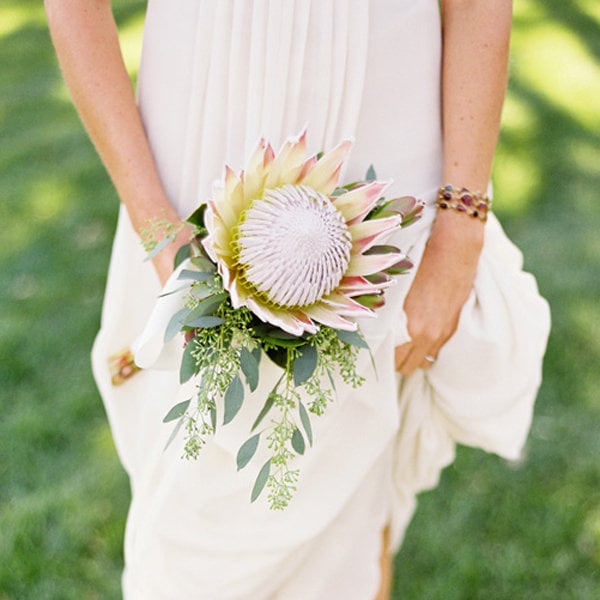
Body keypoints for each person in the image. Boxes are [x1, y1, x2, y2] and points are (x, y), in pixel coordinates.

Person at [45, 1, 550, 598]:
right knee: (191, 515)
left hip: (384, 133)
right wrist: (157, 225)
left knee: (355, 501)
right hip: (205, 136)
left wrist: (461, 231)